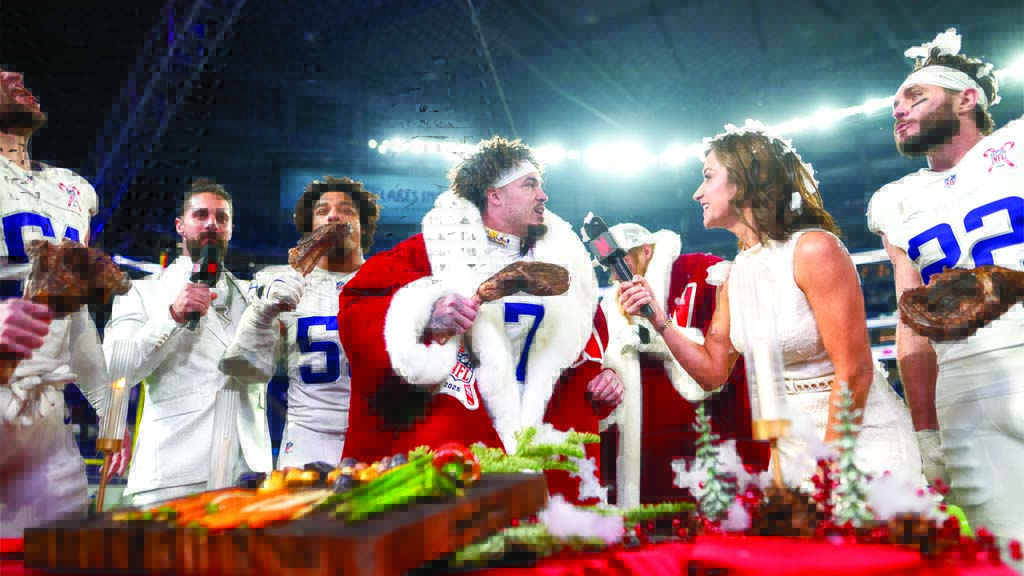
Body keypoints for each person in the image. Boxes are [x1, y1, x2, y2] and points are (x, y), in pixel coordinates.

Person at [619, 121, 921, 484]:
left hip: (858, 445)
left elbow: (854, 371)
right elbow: (713, 372)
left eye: (708, 176)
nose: (697, 193)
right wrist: (658, 319)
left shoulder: (813, 249)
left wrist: (827, 470)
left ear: (744, 180)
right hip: (792, 450)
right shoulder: (735, 273)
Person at [338, 136, 623, 503]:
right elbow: (358, 307)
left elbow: (591, 350)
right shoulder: (429, 251)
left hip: (544, 451)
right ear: (495, 195)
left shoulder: (568, 269)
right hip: (459, 442)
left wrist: (610, 376)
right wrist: (426, 313)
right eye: (530, 184)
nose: (543, 196)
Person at [867, 28, 1023, 544]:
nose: (899, 110)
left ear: (967, 98)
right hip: (964, 388)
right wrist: (925, 428)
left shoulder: (1016, 146)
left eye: (915, 96)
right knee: (1003, 551)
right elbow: (911, 321)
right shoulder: (896, 200)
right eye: (895, 103)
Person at [0, 65, 126, 535]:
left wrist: (107, 408)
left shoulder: (73, 191)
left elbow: (74, 318)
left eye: (19, 78)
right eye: (2, 79)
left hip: (46, 410)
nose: (17, 79)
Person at [103, 178, 271, 506]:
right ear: (180, 225)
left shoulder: (253, 296)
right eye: (201, 215)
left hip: (248, 471)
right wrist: (172, 315)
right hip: (174, 470)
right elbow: (116, 370)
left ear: (231, 229)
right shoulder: (141, 291)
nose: (212, 223)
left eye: (221, 218)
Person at [599, 222, 768, 507]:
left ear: (647, 251)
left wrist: (652, 338)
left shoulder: (701, 271)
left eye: (621, 261)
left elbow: (723, 355)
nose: (615, 273)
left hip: (707, 431)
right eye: (608, 266)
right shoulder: (611, 303)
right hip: (647, 444)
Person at [221, 176, 380, 469]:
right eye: (322, 211)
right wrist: (263, 312)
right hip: (307, 437)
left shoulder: (388, 280)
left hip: (377, 434)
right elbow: (248, 371)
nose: (334, 215)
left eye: (346, 209)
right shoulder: (277, 280)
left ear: (364, 226)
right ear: (308, 228)